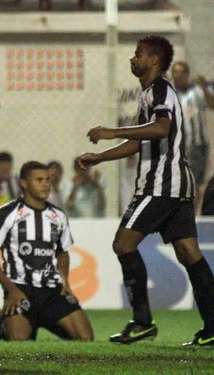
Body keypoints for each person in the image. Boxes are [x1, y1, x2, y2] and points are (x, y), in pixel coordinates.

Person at [78, 35, 214, 346]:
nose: (132, 58)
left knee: (123, 245)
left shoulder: (160, 90)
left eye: (137, 54)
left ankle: (142, 322)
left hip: (161, 185)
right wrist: (99, 156)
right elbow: (140, 141)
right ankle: (212, 325)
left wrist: (111, 129)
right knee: (189, 253)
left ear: (153, 60)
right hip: (177, 185)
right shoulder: (149, 94)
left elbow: (162, 128)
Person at [0, 161, 94, 342]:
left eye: (48, 180)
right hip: (21, 289)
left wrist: (65, 280)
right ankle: (2, 326)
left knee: (85, 338)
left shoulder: (58, 216)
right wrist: (10, 288)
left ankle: (42, 319)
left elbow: (63, 252)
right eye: (39, 180)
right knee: (18, 340)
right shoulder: (7, 213)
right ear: (24, 183)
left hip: (52, 292)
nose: (46, 184)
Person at [171, 61, 214, 215]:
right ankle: (180, 216)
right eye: (174, 72)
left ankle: (191, 215)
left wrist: (204, 87)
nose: (177, 75)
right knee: (181, 183)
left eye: (181, 72)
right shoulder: (169, 93)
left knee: (196, 183)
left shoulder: (197, 91)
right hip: (179, 145)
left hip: (198, 144)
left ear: (187, 75)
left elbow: (212, 104)